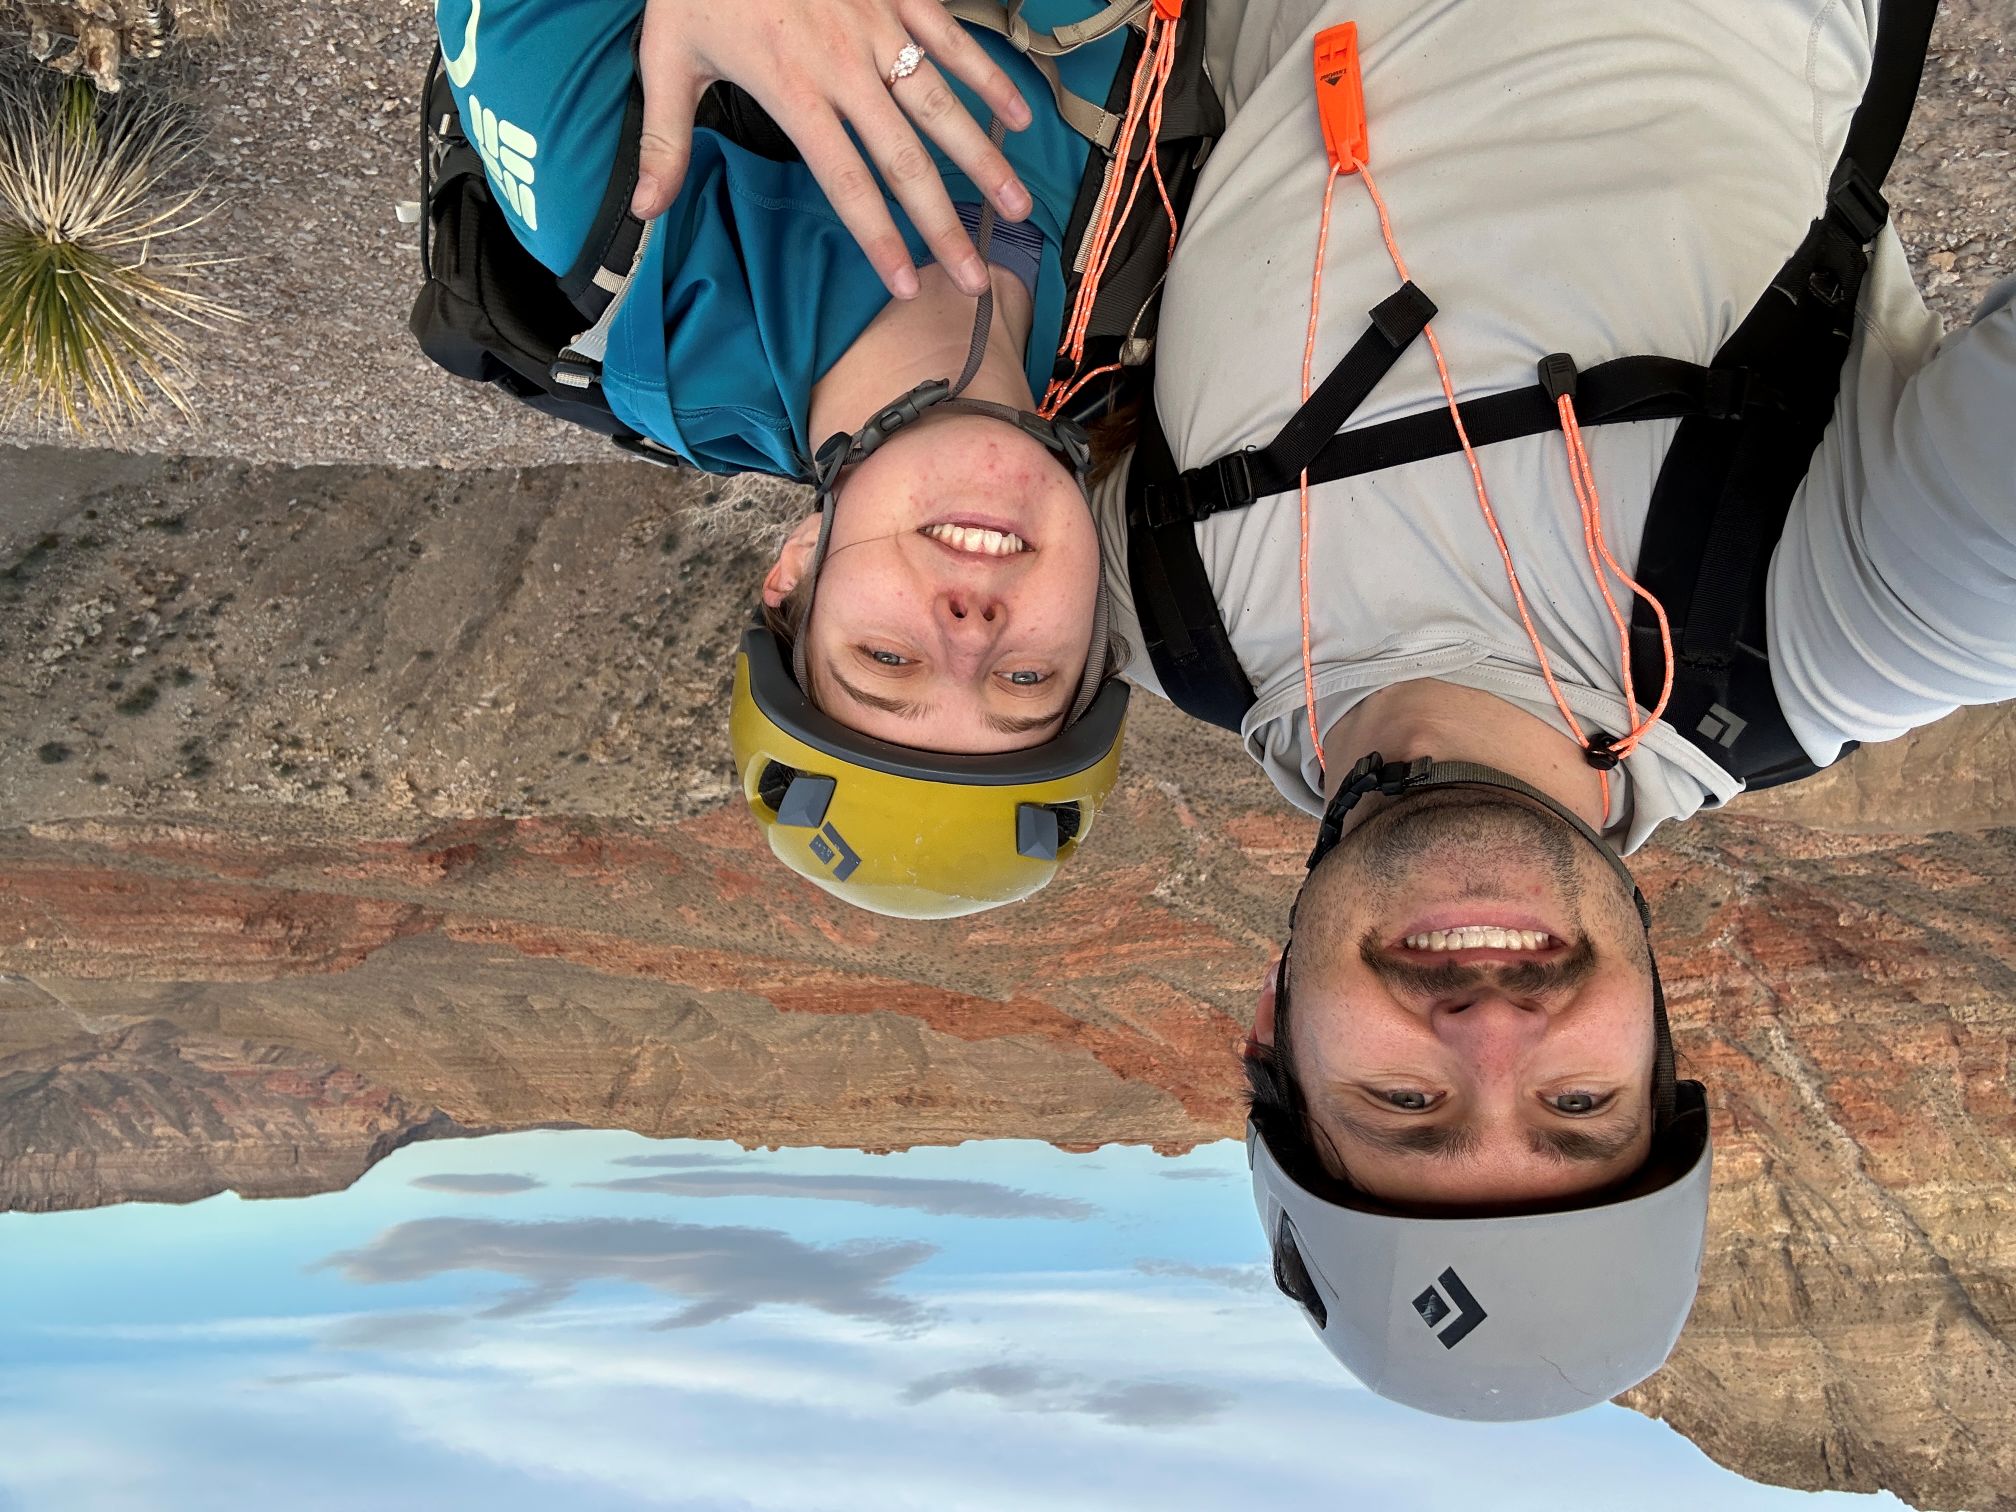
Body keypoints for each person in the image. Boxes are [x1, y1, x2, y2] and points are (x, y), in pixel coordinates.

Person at [1085, 0, 2012, 1417]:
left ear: (1273, 1031)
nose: (1490, 1034)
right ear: (1657, 1039)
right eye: (1578, 1109)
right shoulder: (1816, 628)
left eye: (1407, 1107)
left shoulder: (1150, 611)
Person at [431, 0, 1221, 917]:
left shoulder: (634, 241)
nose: (971, 632)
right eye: (1023, 681)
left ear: (798, 567)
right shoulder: (1167, 332)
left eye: (887, 658)